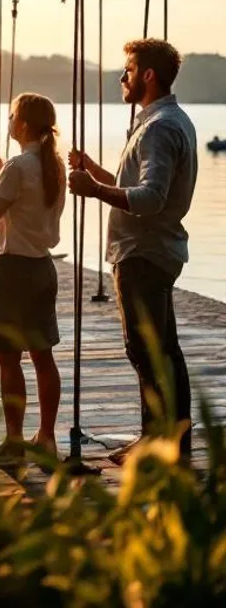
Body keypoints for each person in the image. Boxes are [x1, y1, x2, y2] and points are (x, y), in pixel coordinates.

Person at [68, 38, 198, 464]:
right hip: (154, 250)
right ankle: (166, 441)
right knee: (164, 351)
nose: (121, 78)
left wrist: (94, 190)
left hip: (143, 253)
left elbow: (150, 198)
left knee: (146, 351)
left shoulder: (159, 127)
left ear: (147, 75)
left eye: (127, 70)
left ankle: (159, 443)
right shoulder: (168, 120)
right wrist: (95, 172)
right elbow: (138, 186)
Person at [0, 93, 65, 463]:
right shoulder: (51, 164)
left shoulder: (18, 166)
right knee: (43, 357)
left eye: (11, 116)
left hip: (12, 270)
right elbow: (26, 199)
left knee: (9, 361)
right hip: (43, 268)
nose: (8, 121)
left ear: (22, 124)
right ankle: (46, 437)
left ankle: (13, 444)